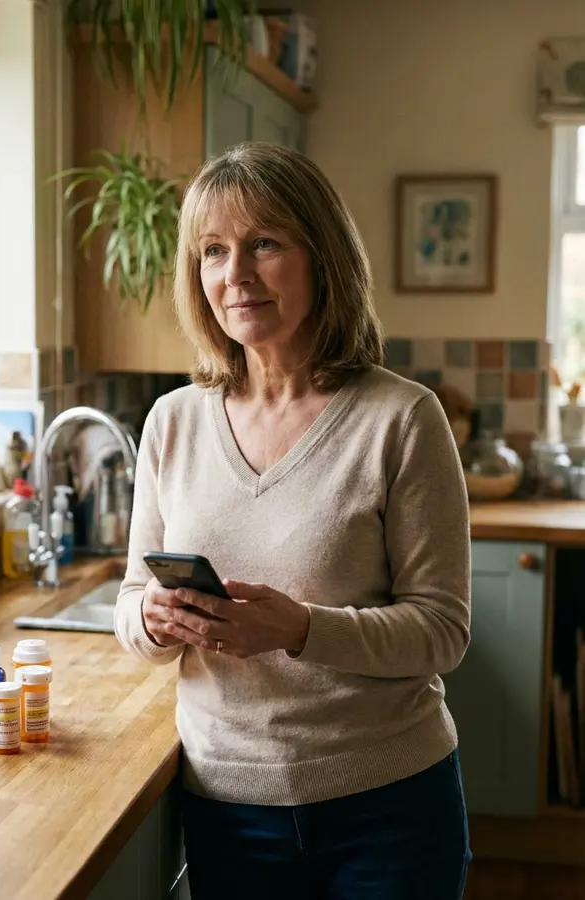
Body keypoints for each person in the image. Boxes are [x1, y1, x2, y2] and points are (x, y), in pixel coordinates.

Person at [115, 142, 472, 900]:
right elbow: (128, 613)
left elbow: (443, 630)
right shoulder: (170, 423)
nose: (234, 274)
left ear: (323, 257)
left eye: (264, 243)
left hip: (389, 806)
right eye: (213, 250)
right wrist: (152, 618)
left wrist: (299, 629)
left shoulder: (402, 417)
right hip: (226, 806)